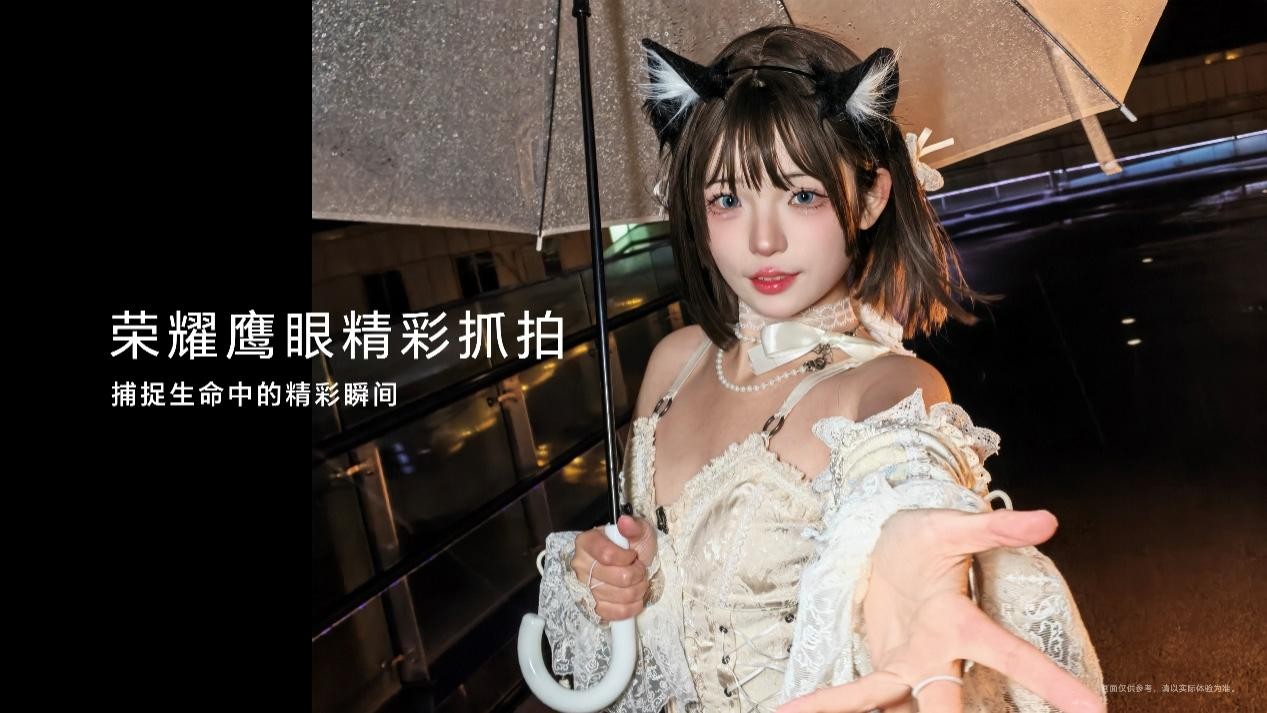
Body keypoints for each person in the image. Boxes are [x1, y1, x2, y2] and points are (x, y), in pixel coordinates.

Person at [535, 24, 1105, 713]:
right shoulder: (671, 364)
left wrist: (917, 586)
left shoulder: (889, 388)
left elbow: (907, 485)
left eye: (801, 195)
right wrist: (617, 572)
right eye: (726, 199)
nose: (763, 239)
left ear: (869, 198)